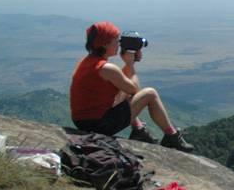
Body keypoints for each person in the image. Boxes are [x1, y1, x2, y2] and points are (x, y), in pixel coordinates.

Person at [70, 21, 194, 152]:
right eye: (116, 41)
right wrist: (130, 64)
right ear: (105, 44)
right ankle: (172, 136)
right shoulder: (106, 68)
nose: (119, 44)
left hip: (83, 121)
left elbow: (121, 85)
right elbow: (134, 89)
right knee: (150, 94)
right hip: (98, 125)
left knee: (124, 94)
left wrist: (129, 65)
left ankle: (139, 130)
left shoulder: (87, 62)